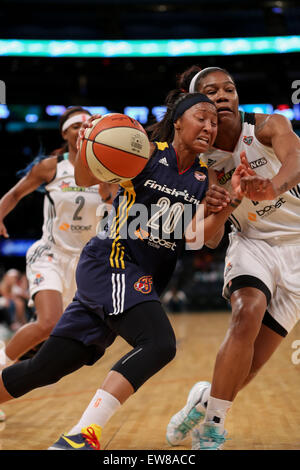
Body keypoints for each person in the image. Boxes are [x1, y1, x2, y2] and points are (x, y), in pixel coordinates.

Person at [0, 93, 251, 450]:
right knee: (160, 343)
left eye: (214, 122)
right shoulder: (146, 150)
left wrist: (228, 207)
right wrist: (89, 142)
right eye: (201, 117)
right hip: (113, 262)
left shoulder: (203, 176)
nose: (209, 127)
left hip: (137, 278)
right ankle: (84, 434)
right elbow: (88, 179)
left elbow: (202, 239)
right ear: (178, 121)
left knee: (45, 368)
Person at [165, 66, 300, 450]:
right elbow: (208, 240)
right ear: (198, 105)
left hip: (298, 247)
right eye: (212, 91)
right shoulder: (197, 163)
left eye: (229, 88)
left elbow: (297, 158)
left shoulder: (268, 125)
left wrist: (271, 187)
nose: (223, 95)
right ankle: (213, 427)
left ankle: (204, 400)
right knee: (246, 312)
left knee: (249, 368)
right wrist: (229, 204)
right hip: (253, 241)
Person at [0, 106, 116, 420]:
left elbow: (114, 208)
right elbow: (14, 194)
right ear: (64, 133)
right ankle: (1, 363)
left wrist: (109, 191)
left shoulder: (108, 169)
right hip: (50, 253)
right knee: (48, 322)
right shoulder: (51, 167)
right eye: (76, 125)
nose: (82, 129)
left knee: (52, 334)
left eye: (87, 124)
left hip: (85, 264)